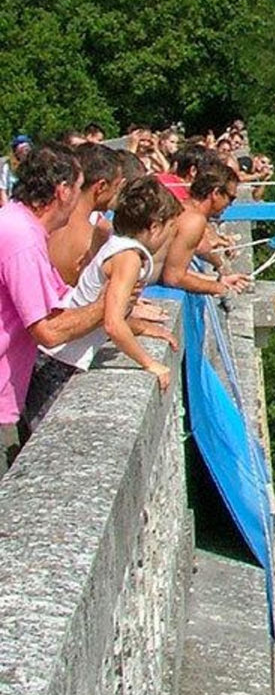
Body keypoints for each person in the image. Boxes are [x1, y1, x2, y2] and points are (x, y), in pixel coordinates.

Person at [0, 145, 107, 471]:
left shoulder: (19, 226)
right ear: (62, 191)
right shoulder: (22, 239)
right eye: (77, 188)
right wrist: (108, 307)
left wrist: (126, 307)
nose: (79, 198)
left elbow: (64, 298)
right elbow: (48, 329)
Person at [36, 177, 181, 401]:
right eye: (171, 228)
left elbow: (111, 308)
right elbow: (113, 324)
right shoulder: (129, 258)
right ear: (154, 227)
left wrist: (142, 328)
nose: (171, 237)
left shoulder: (117, 245)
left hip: (52, 357)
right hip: (58, 361)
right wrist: (150, 363)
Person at [160, 162, 250, 297]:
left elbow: (171, 267)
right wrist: (218, 288)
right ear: (216, 193)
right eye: (230, 198)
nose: (230, 205)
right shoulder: (194, 220)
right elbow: (174, 278)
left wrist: (220, 280)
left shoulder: (183, 208)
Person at [48, 143, 125, 287]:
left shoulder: (46, 226)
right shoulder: (92, 241)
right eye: (116, 186)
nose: (117, 193)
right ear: (101, 186)